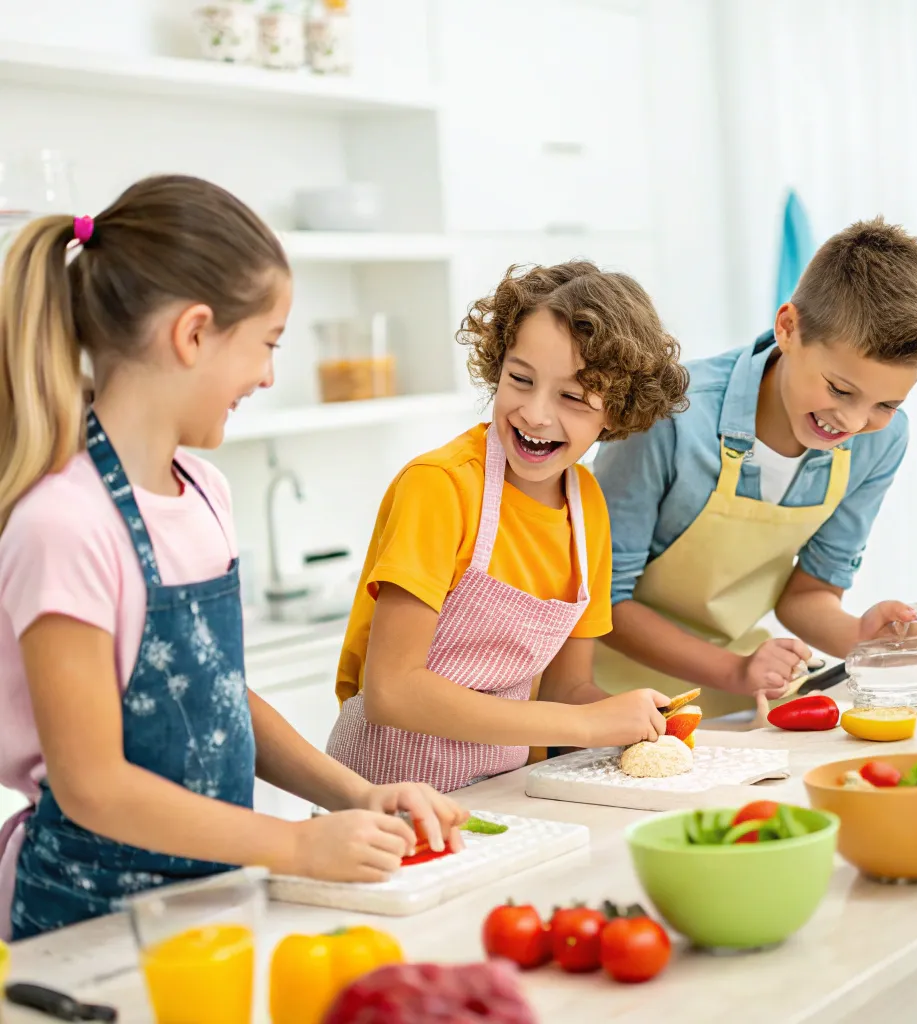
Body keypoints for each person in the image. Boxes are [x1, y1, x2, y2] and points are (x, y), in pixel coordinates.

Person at [0, 175, 465, 942]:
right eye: (268, 343)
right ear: (193, 332)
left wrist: (358, 794)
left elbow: (217, 697)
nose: (269, 376)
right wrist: (292, 846)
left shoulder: (205, 491)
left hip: (204, 901)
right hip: (83, 920)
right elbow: (93, 786)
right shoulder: (64, 524)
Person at [593, 218, 917, 718]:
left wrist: (863, 637)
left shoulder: (879, 443)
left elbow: (809, 594)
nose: (853, 421)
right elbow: (599, 602)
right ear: (788, 328)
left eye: (886, 403)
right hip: (605, 698)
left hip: (734, 697)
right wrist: (734, 670)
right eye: (840, 389)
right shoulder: (670, 418)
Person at [327, 261, 688, 792]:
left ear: (615, 411)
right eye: (520, 380)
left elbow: (565, 691)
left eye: (572, 397)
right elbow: (392, 692)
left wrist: (630, 717)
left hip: (506, 791)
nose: (536, 414)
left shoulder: (586, 508)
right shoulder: (441, 487)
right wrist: (585, 724)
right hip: (385, 795)